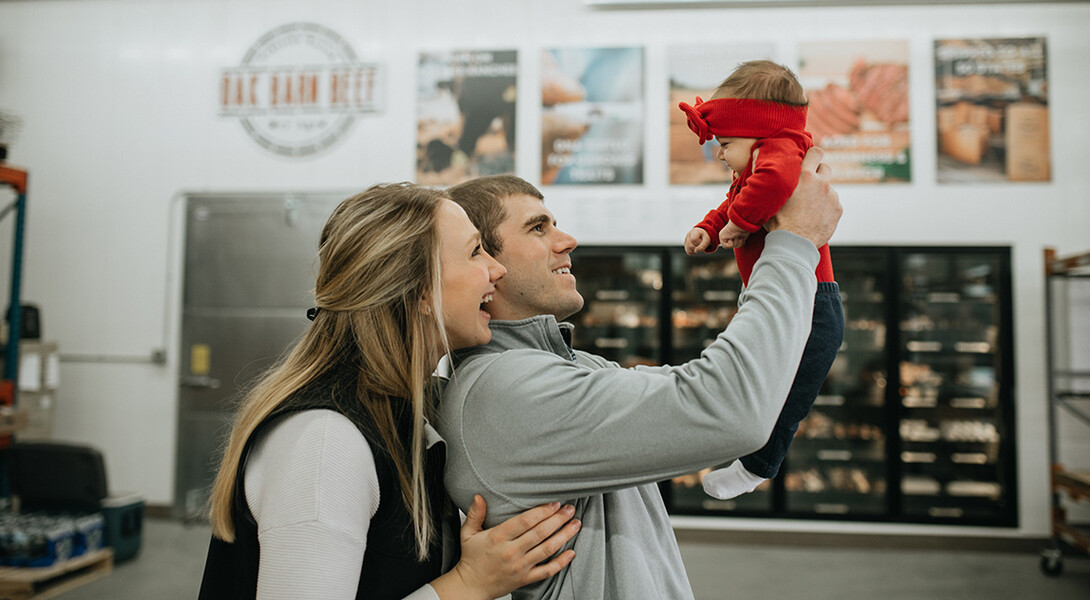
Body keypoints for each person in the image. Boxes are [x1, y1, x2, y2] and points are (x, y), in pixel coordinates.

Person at [438, 154, 841, 600]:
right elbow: (730, 408)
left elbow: (745, 382)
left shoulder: (570, 367)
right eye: (538, 228)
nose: (567, 240)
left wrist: (769, 248)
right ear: (486, 265)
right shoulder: (501, 392)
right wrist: (794, 242)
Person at [197, 183, 581, 600]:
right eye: (475, 252)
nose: (496, 269)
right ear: (419, 291)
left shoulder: (401, 413)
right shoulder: (325, 440)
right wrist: (468, 584)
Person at [679, 59, 844, 499]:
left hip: (813, 302)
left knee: (793, 388)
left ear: (759, 131)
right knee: (757, 377)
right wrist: (710, 228)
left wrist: (740, 221)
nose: (719, 153)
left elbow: (772, 184)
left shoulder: (781, 151)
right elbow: (735, 200)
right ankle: (741, 441)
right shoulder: (752, 168)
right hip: (772, 295)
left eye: (725, 142)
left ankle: (758, 464)